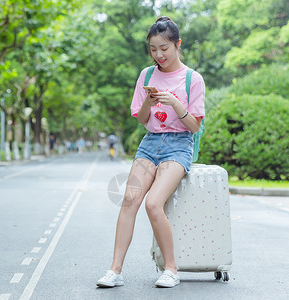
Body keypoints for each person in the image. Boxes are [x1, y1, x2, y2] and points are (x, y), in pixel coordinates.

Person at [97, 16, 205, 288]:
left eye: (164, 49)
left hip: (178, 145)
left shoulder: (193, 79)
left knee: (153, 203)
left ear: (177, 44)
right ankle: (115, 271)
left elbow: (193, 126)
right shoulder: (146, 75)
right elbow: (143, 119)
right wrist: (149, 100)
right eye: (153, 49)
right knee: (129, 200)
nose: (159, 55)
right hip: (150, 142)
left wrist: (176, 104)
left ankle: (171, 269)